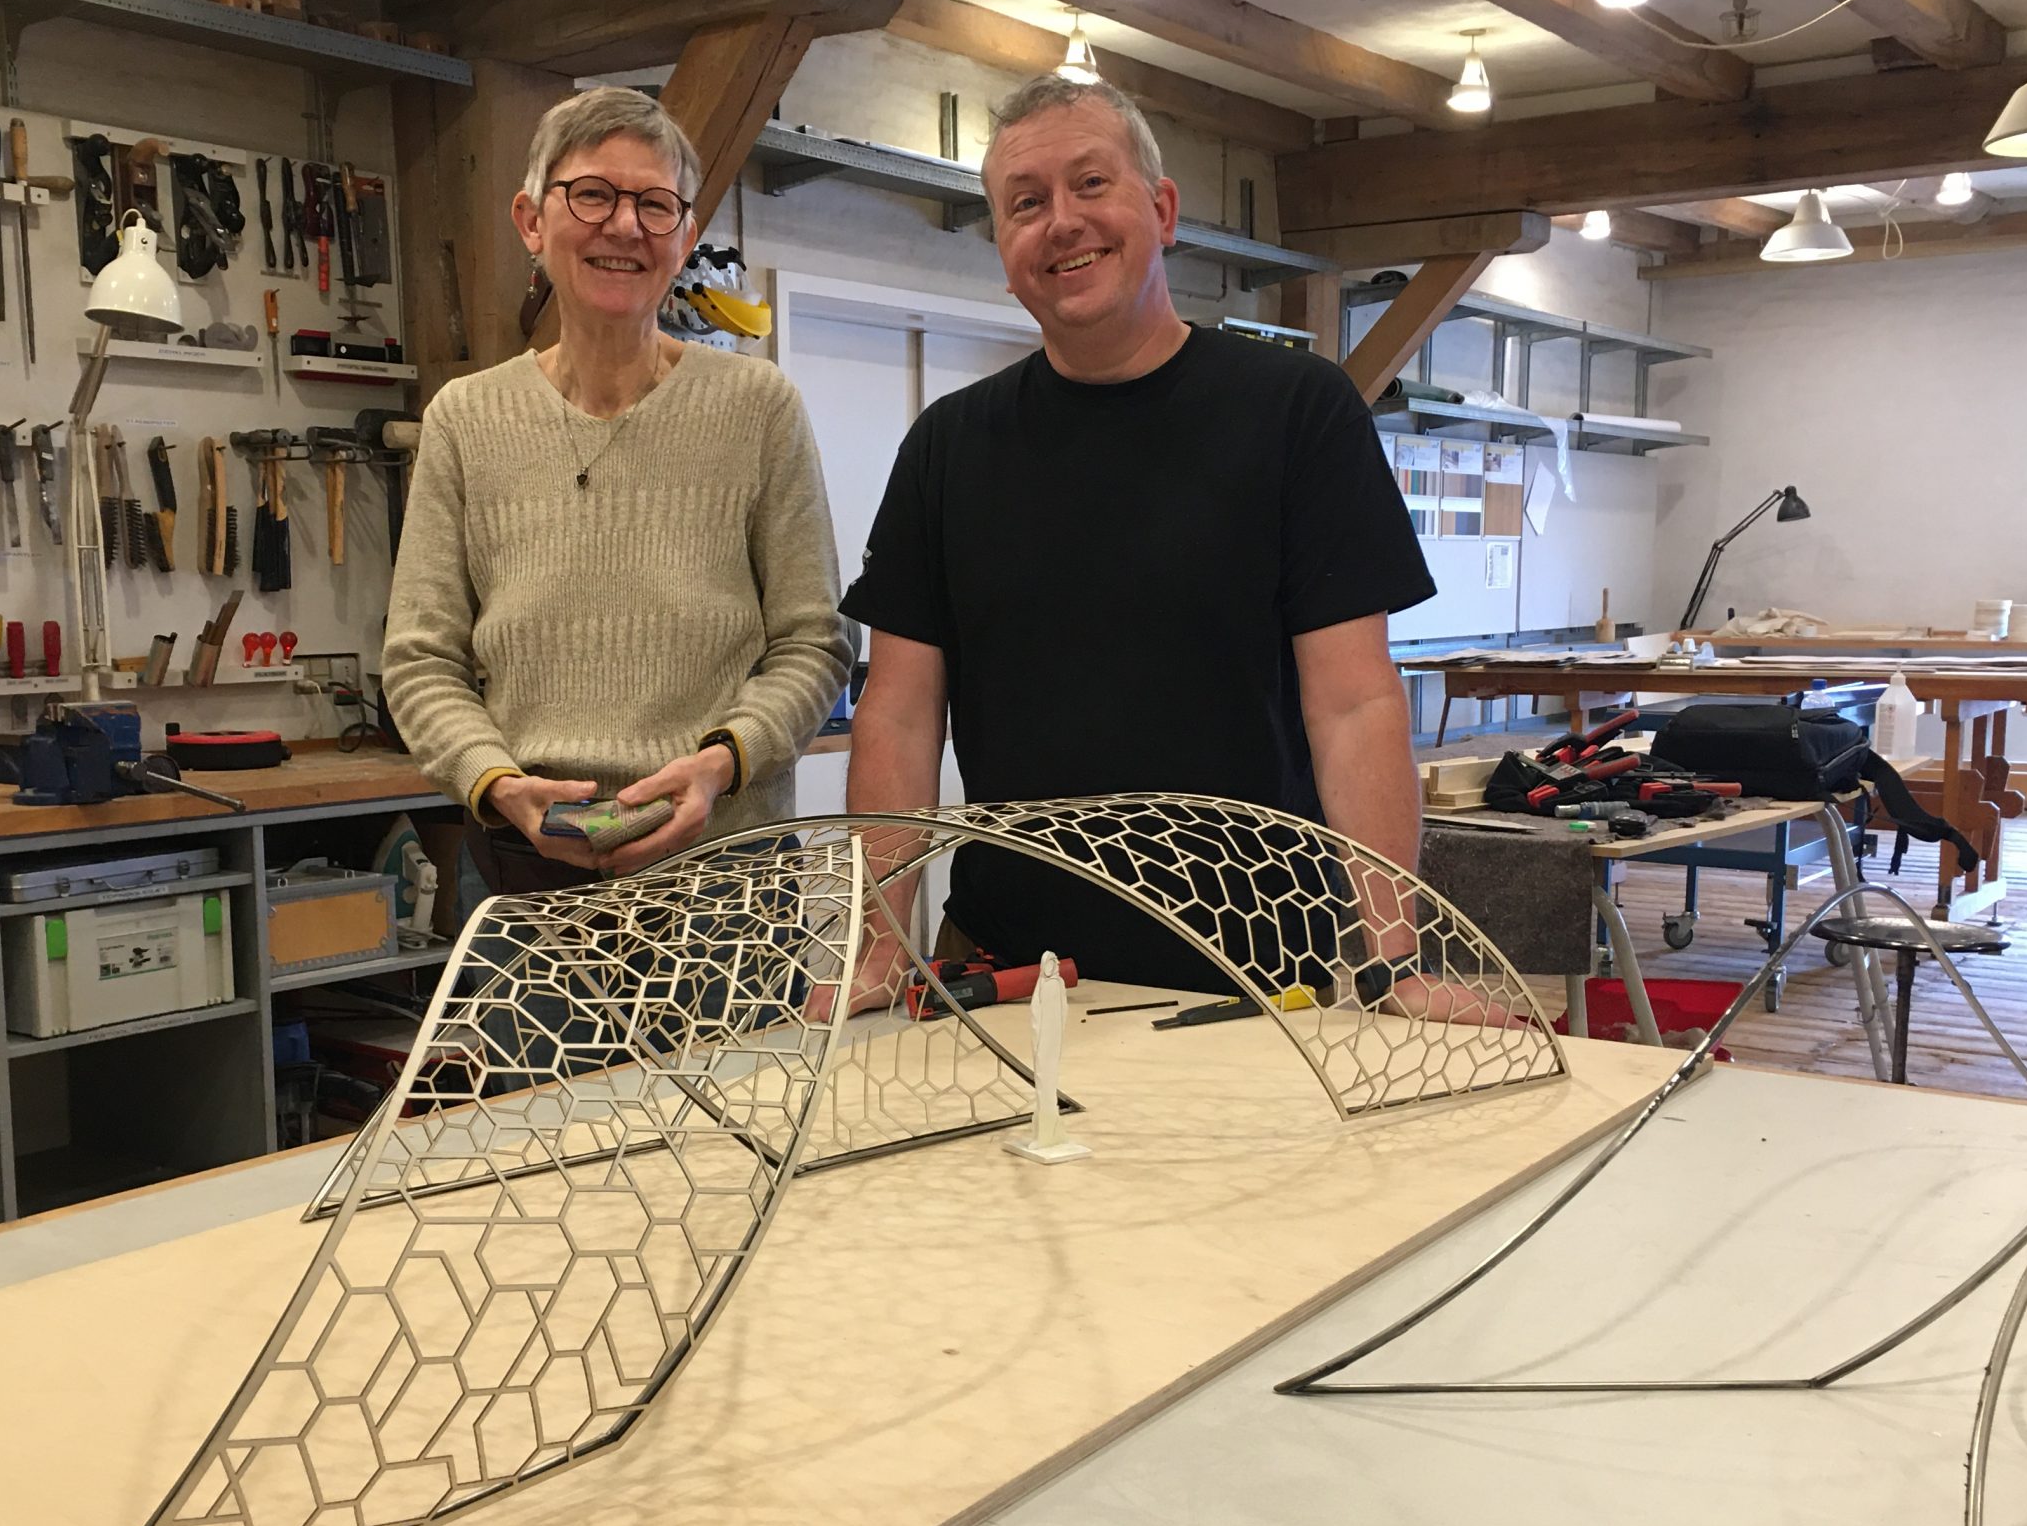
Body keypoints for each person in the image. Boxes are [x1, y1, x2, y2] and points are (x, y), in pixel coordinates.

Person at [838, 73, 1437, 1005]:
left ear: (1161, 210)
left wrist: (1394, 961)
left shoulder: (1296, 412)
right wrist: (876, 951)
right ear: (1004, 252)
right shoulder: (948, 447)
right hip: (1010, 972)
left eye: (1091, 184)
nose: (1062, 222)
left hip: (1261, 977)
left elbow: (1355, 704)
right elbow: (899, 716)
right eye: (1025, 203)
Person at [382, 85, 854, 899]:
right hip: (525, 874)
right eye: (593, 195)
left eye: (655, 204)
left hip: (726, 876)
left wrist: (724, 760)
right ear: (531, 220)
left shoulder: (758, 407)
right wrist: (496, 783)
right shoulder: (465, 418)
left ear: (685, 237)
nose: (626, 226)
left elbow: (815, 642)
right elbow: (421, 659)